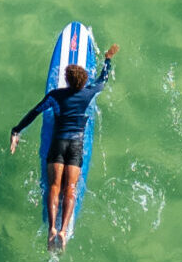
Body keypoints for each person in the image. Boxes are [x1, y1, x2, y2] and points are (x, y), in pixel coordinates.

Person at [10, 43, 119, 249]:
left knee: (54, 186)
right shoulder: (89, 93)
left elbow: (35, 112)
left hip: (58, 144)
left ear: (67, 81)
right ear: (83, 81)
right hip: (76, 146)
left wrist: (16, 130)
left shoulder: (56, 96)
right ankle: (63, 231)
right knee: (70, 189)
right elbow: (103, 81)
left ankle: (52, 229)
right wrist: (107, 59)